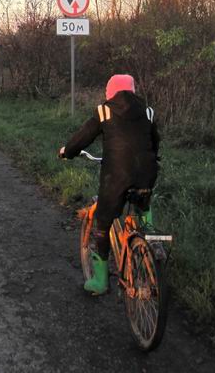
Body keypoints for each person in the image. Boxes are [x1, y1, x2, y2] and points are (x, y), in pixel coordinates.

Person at [59, 74, 160, 295]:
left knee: (103, 222)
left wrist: (67, 152)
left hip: (117, 176)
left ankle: (100, 281)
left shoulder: (104, 112)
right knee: (143, 201)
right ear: (133, 90)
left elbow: (82, 138)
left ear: (110, 92)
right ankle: (150, 239)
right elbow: (155, 142)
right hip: (146, 172)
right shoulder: (148, 111)